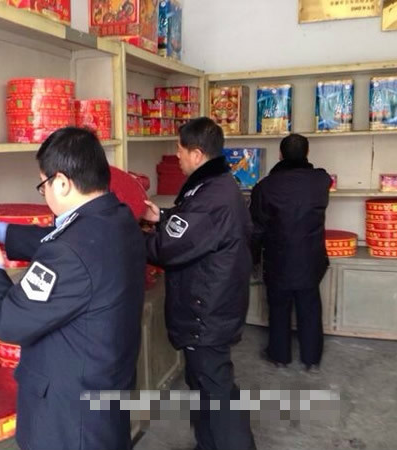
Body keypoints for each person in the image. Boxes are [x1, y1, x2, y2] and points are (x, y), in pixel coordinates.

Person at [0, 127, 146, 450]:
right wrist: (2, 232)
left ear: (61, 182)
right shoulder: (118, 219)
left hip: (68, 418)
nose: (44, 193)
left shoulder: (68, 252)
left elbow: (7, 320)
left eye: (43, 184)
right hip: (105, 393)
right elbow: (72, 242)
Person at [143, 117, 256, 450]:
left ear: (196, 153)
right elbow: (196, 228)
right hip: (214, 305)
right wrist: (162, 218)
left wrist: (123, 235)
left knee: (217, 393)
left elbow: (167, 248)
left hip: (206, 312)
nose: (176, 155)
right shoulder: (216, 185)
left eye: (179, 149)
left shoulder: (211, 197)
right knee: (207, 388)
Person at [250, 133, 331, 372]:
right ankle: (311, 359)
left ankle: (279, 356)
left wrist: (252, 258)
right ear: (307, 153)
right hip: (311, 260)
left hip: (279, 260)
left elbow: (256, 228)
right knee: (310, 308)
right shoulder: (321, 181)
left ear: (280, 155)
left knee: (278, 308)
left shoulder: (265, 187)